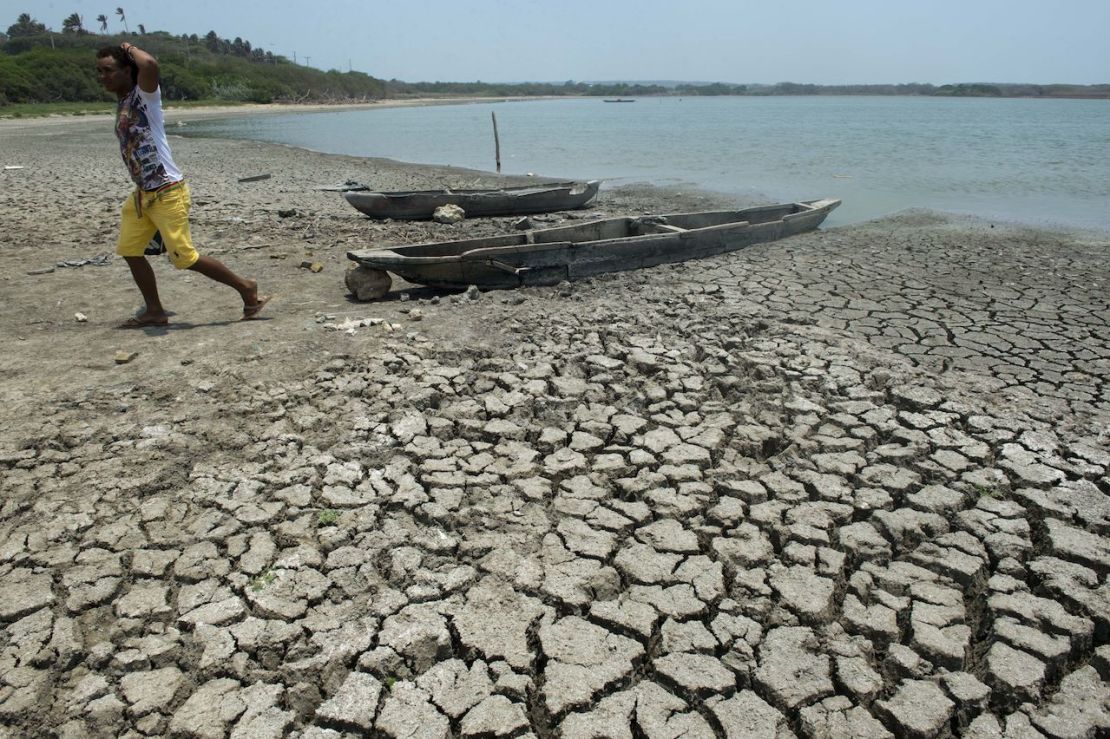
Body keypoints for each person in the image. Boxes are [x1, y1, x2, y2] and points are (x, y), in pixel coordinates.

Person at [96, 42, 269, 327]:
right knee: (130, 250)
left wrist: (126, 46)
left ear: (128, 71)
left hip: (167, 191)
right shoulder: (124, 101)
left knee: (185, 258)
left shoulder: (145, 97)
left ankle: (247, 289)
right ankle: (155, 310)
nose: (103, 76)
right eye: (99, 71)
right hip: (142, 196)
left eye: (109, 70)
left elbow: (150, 64)